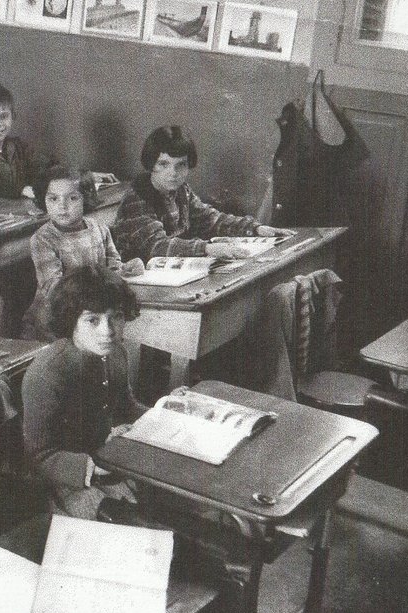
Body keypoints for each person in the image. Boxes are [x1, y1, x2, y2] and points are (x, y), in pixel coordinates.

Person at [21, 266, 149, 519]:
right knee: (122, 525)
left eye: (117, 317)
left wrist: (163, 413)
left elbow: (125, 406)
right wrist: (93, 466)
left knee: (159, 511)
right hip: (63, 483)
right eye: (93, 320)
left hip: (108, 463)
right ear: (71, 321)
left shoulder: (116, 353)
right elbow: (39, 456)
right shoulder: (48, 373)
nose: (108, 331)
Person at [112, 125, 294, 262]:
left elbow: (211, 219)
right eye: (164, 164)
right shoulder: (136, 200)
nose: (173, 173)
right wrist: (208, 248)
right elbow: (157, 246)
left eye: (181, 164)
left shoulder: (180, 191)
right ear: (151, 164)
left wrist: (256, 228)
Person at [23, 165, 135, 339]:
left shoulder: (99, 229)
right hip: (55, 320)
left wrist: (125, 269)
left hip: (93, 311)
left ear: (86, 198)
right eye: (53, 199)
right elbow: (54, 290)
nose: (62, 206)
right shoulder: (43, 239)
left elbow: (112, 269)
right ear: (43, 201)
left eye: (72, 198)